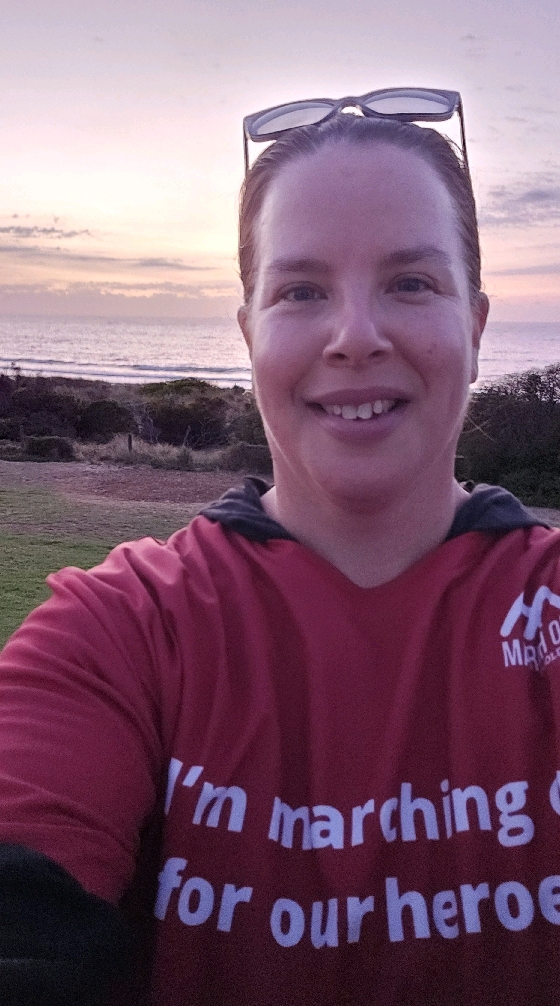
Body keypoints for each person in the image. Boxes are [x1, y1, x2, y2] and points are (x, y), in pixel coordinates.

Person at [0, 91, 559, 1006]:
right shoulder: (121, 629)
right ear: (249, 332)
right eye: (301, 291)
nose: (356, 337)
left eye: (411, 283)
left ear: (477, 324)